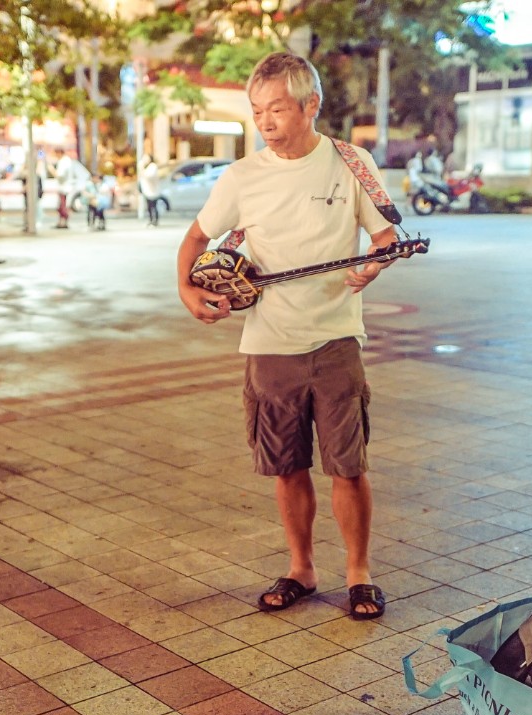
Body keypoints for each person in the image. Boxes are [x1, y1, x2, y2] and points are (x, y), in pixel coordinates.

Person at [177, 51, 396, 622]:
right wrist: (188, 290)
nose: (265, 122)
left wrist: (375, 265)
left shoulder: (351, 162)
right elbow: (196, 239)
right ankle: (301, 567)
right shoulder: (243, 176)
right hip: (269, 343)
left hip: (335, 339)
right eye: (257, 111)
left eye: (276, 109)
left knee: (347, 464)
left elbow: (384, 237)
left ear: (310, 106)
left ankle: (358, 574)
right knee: (286, 464)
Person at [138, 157, 163, 226]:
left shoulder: (152, 166)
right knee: (149, 206)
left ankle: (155, 220)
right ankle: (151, 219)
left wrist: (141, 168)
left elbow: (149, 176)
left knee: (153, 206)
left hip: (152, 190)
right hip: (147, 190)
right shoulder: (147, 167)